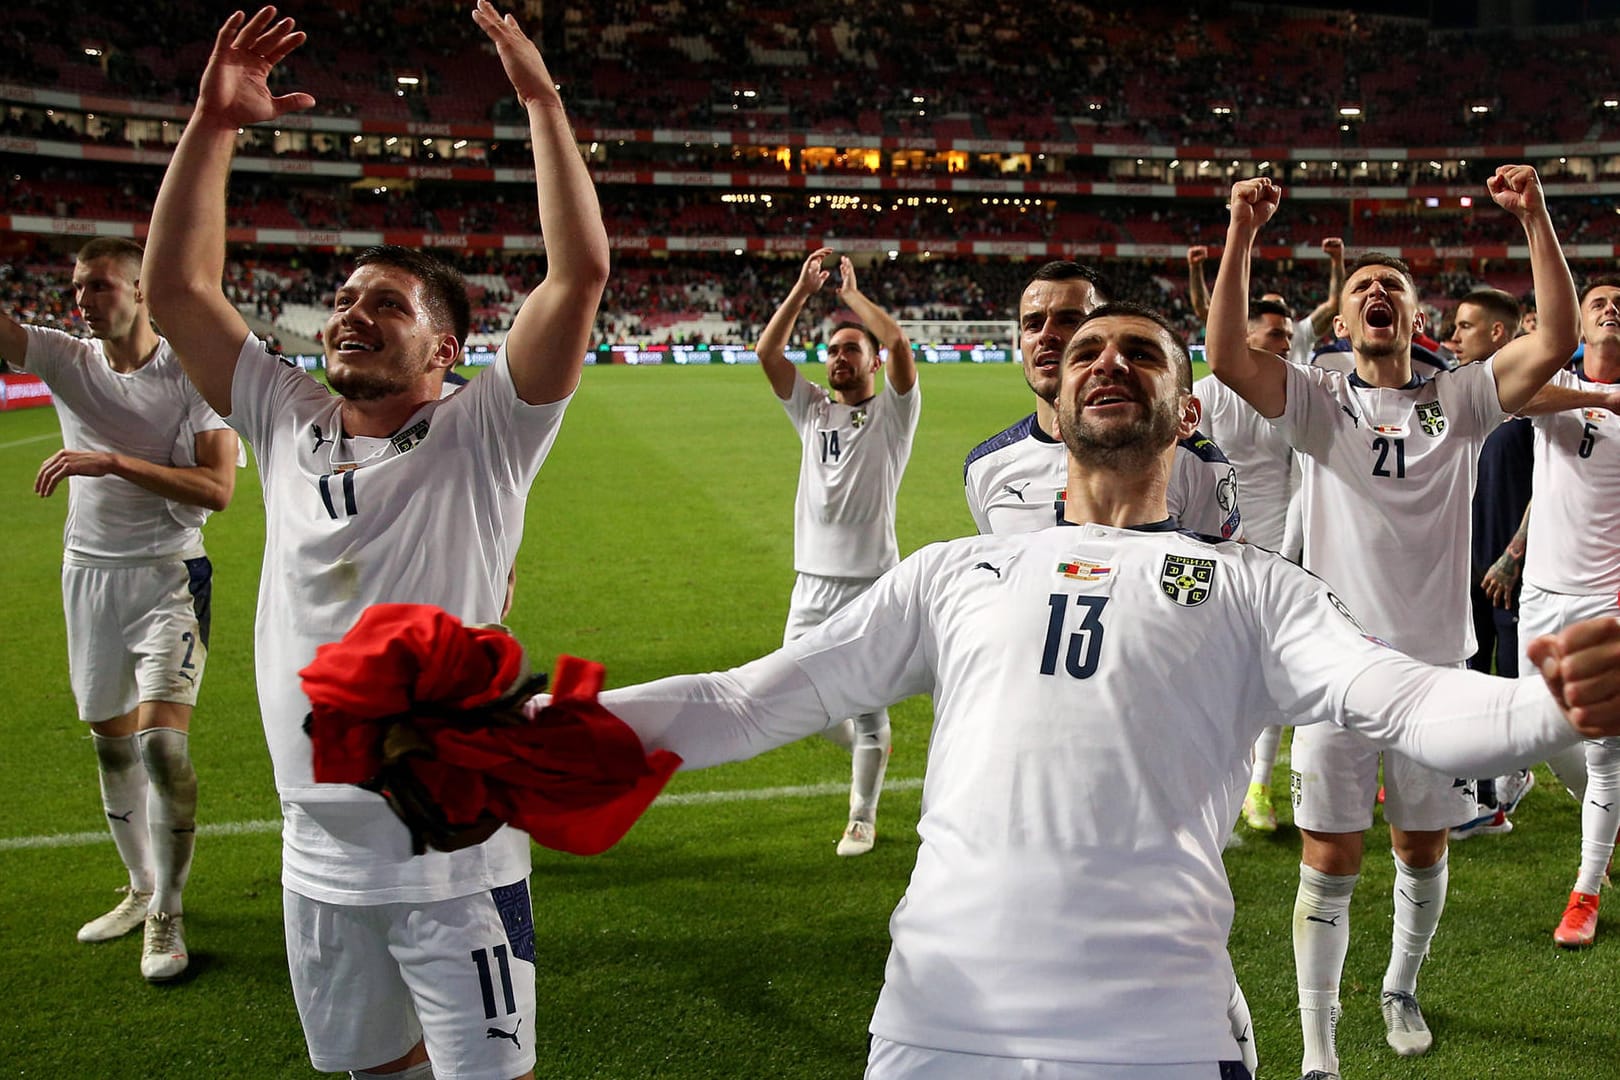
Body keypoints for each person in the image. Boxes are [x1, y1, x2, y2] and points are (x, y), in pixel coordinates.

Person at [577, 302, 1620, 1080]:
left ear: (1186, 405)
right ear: (1054, 395)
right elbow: (746, 701)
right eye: (1084, 351)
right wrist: (532, 727)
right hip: (935, 1028)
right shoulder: (954, 572)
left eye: (1138, 352)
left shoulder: (1254, 587)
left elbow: (1406, 700)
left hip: (1158, 1035)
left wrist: (1547, 708)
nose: (1106, 362)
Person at [141, 5, 609, 1079]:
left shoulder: (485, 433)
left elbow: (575, 278)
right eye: (342, 300)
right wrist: (212, 124)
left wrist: (540, 103)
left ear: (445, 346)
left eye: (383, 305)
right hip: (314, 865)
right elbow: (178, 292)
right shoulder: (283, 416)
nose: (348, 315)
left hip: (454, 865)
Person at [1205, 166, 1579, 1080]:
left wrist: (1534, 218)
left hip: (1433, 673)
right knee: (1329, 861)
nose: (1379, 292)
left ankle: (1399, 987)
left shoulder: (1457, 402)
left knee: (1419, 847)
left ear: (1414, 320)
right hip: (1333, 669)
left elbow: (1556, 339)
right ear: (1339, 324)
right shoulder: (1319, 404)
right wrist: (1241, 231)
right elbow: (1223, 356)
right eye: (1364, 286)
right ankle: (1321, 1049)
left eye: (1395, 287)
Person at [0, 236, 237, 983]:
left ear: (141, 292)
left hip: (170, 576)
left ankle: (167, 911)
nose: (82, 300)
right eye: (77, 288)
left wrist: (110, 462)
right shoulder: (65, 358)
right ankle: (138, 890)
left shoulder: (189, 373)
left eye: (100, 286)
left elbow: (218, 489)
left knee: (161, 748)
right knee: (109, 745)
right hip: (88, 578)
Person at [755, 247, 919, 856]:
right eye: (832, 351)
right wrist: (802, 290)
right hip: (812, 584)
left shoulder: (894, 414)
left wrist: (851, 297)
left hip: (871, 581)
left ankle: (862, 815)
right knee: (796, 696)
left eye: (851, 349)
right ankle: (872, 748)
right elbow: (768, 354)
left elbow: (900, 347)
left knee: (868, 706)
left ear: (871, 361)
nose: (838, 358)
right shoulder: (813, 410)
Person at [964, 262, 1241, 542]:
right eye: (1033, 324)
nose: (1046, 335)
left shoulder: (1194, 463)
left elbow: (1217, 572)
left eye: (1069, 320)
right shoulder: (986, 466)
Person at [1511, 273, 1620, 947]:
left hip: (1607, 593)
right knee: (1542, 736)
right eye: (1601, 304)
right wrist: (1605, 394)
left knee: (1604, 746)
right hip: (1542, 594)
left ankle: (1584, 890)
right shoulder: (1562, 391)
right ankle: (1607, 828)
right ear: (1580, 323)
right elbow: (1514, 392)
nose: (1613, 310)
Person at [1193, 299, 1303, 831]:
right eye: (1279, 334)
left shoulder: (1293, 393)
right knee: (1212, 671)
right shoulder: (1208, 393)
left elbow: (1302, 477)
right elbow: (1191, 470)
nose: (1288, 344)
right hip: (1218, 552)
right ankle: (1207, 781)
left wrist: (1293, 551)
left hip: (1279, 551)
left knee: (1270, 671)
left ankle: (1258, 788)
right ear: (1248, 335)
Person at [1446, 288, 1538, 838]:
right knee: (1469, 681)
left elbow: (1550, 482)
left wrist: (1513, 554)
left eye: (1464, 328)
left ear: (1498, 334)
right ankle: (1479, 796)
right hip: (1463, 566)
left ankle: (1512, 775)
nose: (1453, 338)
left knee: (1513, 684)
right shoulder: (1456, 395)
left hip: (1513, 569)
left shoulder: (1529, 395)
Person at [1188, 238, 1345, 366]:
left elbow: (1334, 304)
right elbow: (1205, 309)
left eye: (1279, 309)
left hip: (1296, 400)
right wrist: (1195, 268)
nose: (1286, 344)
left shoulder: (1301, 332)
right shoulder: (1244, 333)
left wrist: (1337, 261)